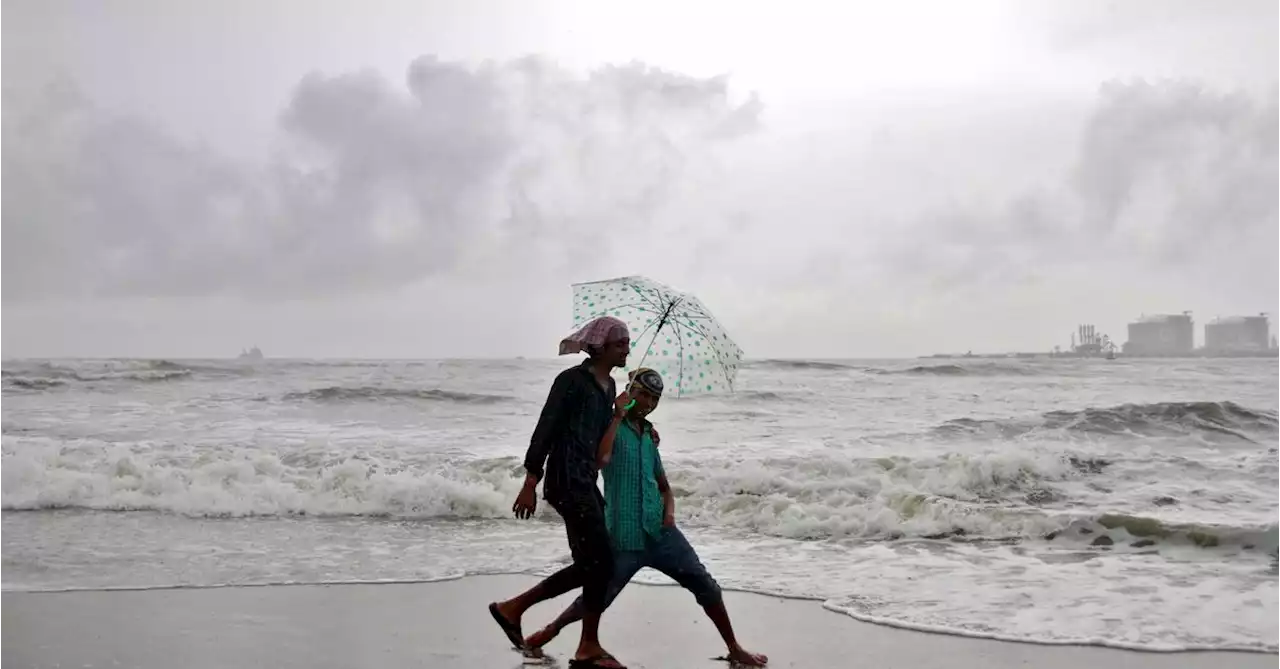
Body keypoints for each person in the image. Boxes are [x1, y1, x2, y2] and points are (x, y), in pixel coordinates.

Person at [523, 367, 768, 667]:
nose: (648, 403)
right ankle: (551, 630)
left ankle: (734, 647)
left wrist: (670, 513)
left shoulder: (650, 437)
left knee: (705, 584)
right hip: (623, 536)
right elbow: (601, 460)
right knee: (597, 597)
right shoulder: (609, 427)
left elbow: (664, 487)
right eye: (642, 395)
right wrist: (616, 416)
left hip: (661, 533)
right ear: (630, 391)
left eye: (654, 398)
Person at [488, 316, 633, 669]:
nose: (627, 349)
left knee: (593, 564)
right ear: (600, 347)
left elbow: (600, 451)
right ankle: (587, 646)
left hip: (585, 479)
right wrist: (529, 483)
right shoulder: (571, 381)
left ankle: (513, 609)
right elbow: (545, 430)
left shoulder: (610, 388)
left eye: (627, 343)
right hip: (566, 480)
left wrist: (623, 417)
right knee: (603, 561)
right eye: (620, 344)